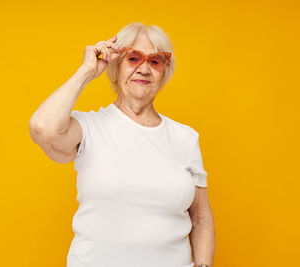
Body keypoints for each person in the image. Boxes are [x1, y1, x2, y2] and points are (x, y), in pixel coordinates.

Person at [29, 22, 215, 267]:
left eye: (155, 61)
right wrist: (86, 71)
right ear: (115, 67)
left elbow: (200, 217)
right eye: (134, 58)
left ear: (164, 72)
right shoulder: (90, 128)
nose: (144, 69)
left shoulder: (186, 138)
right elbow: (43, 127)